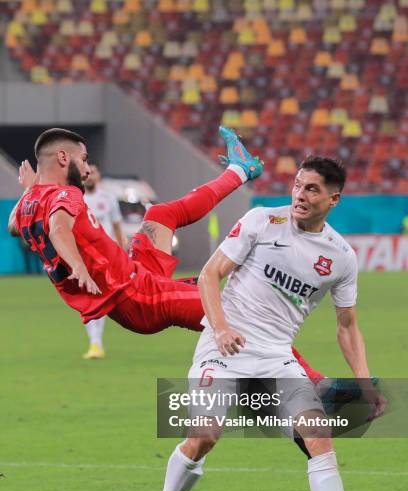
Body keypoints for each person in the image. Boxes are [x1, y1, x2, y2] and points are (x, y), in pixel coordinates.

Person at [147, 156, 387, 491]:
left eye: (312, 189)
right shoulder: (262, 221)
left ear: (334, 199)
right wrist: (220, 328)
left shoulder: (341, 257)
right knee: (204, 436)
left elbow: (347, 327)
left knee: (318, 435)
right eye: (297, 185)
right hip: (223, 350)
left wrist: (365, 384)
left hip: (276, 357)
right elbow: (209, 275)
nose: (299, 195)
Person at [8, 126, 327, 386]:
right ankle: (317, 385)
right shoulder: (65, 194)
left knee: (160, 215)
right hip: (138, 296)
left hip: (135, 274)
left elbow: (14, 227)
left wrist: (29, 190)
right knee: (237, 314)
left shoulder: (28, 204)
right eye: (84, 159)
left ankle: (239, 171)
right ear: (63, 158)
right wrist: (77, 263)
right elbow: (57, 229)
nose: (88, 168)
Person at [82, 164, 127, 359]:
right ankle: (95, 342)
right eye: (87, 172)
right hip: (84, 257)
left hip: (107, 256)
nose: (90, 175)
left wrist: (122, 251)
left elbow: (117, 227)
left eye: (94, 172)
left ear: (99, 175)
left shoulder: (108, 199)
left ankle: (95, 343)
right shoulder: (77, 199)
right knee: (88, 299)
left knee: (99, 297)